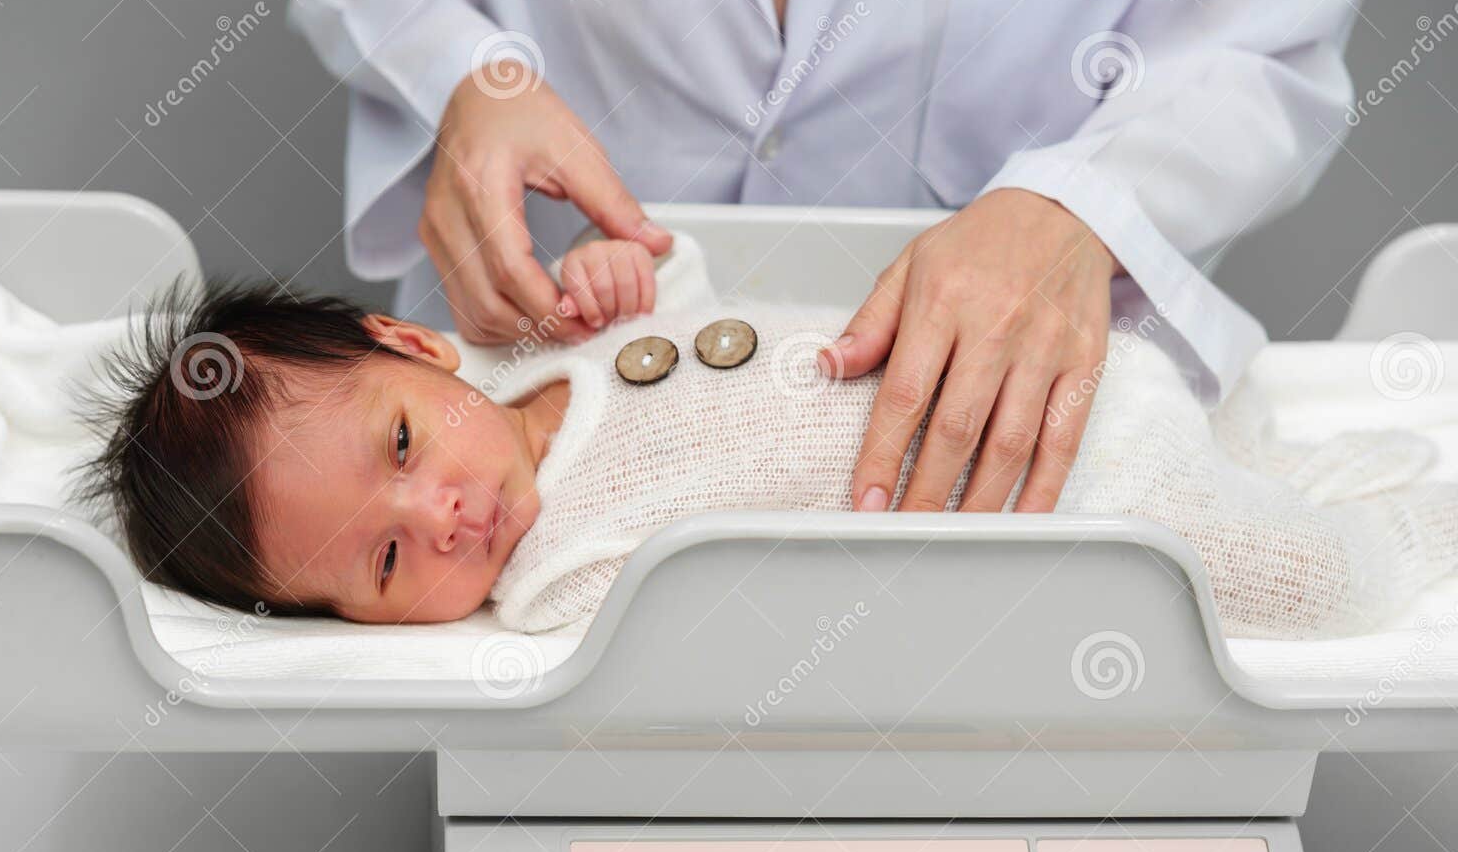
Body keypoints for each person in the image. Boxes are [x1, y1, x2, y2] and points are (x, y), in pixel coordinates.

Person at [284, 0, 1369, 516]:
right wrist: (466, 74)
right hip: (537, 353)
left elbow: (1260, 34)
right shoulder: (491, 537)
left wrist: (1081, 205)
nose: (430, 517)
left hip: (1033, 421)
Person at [84, 234, 1458, 639]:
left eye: (400, 449)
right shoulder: (555, 577)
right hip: (1058, 496)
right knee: (1301, 582)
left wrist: (630, 276)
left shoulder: (538, 338)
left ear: (417, 344)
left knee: (1241, 459)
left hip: (1035, 359)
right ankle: (1410, 527)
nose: (442, 514)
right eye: (385, 565)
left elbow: (695, 296)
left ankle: (1314, 468)